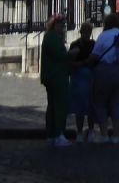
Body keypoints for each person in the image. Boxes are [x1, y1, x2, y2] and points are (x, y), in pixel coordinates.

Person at [88, 12, 119, 144]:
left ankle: (104, 134)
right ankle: (116, 134)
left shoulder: (104, 36)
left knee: (100, 102)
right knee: (116, 102)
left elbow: (95, 54)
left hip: (104, 71)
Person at [39, 14, 72, 147]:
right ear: (55, 25)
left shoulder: (50, 37)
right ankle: (59, 134)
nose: (63, 28)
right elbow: (60, 56)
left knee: (52, 106)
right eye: (61, 25)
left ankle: (52, 134)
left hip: (52, 76)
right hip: (56, 76)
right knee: (59, 106)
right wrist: (71, 54)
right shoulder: (52, 38)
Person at [67, 20, 97, 142]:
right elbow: (70, 62)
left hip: (84, 77)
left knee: (87, 106)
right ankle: (84, 132)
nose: (87, 34)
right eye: (85, 32)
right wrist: (85, 62)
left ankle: (86, 131)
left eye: (88, 32)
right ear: (81, 32)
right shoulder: (80, 45)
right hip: (82, 76)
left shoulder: (89, 44)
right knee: (83, 106)